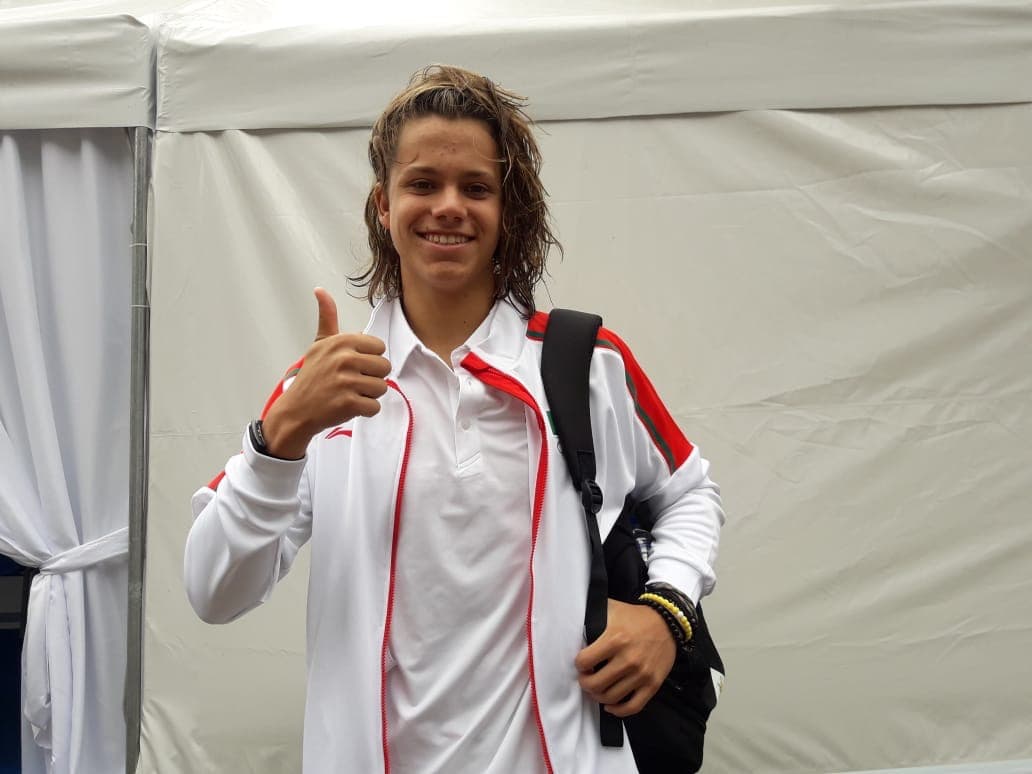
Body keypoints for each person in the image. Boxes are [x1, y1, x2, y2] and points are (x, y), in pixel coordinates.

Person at [184, 65, 724, 774]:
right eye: (421, 184)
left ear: (508, 211)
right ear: (384, 205)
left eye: (476, 187)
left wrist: (665, 611)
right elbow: (213, 592)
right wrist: (277, 444)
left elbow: (689, 494)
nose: (448, 207)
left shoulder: (585, 361)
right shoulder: (324, 390)